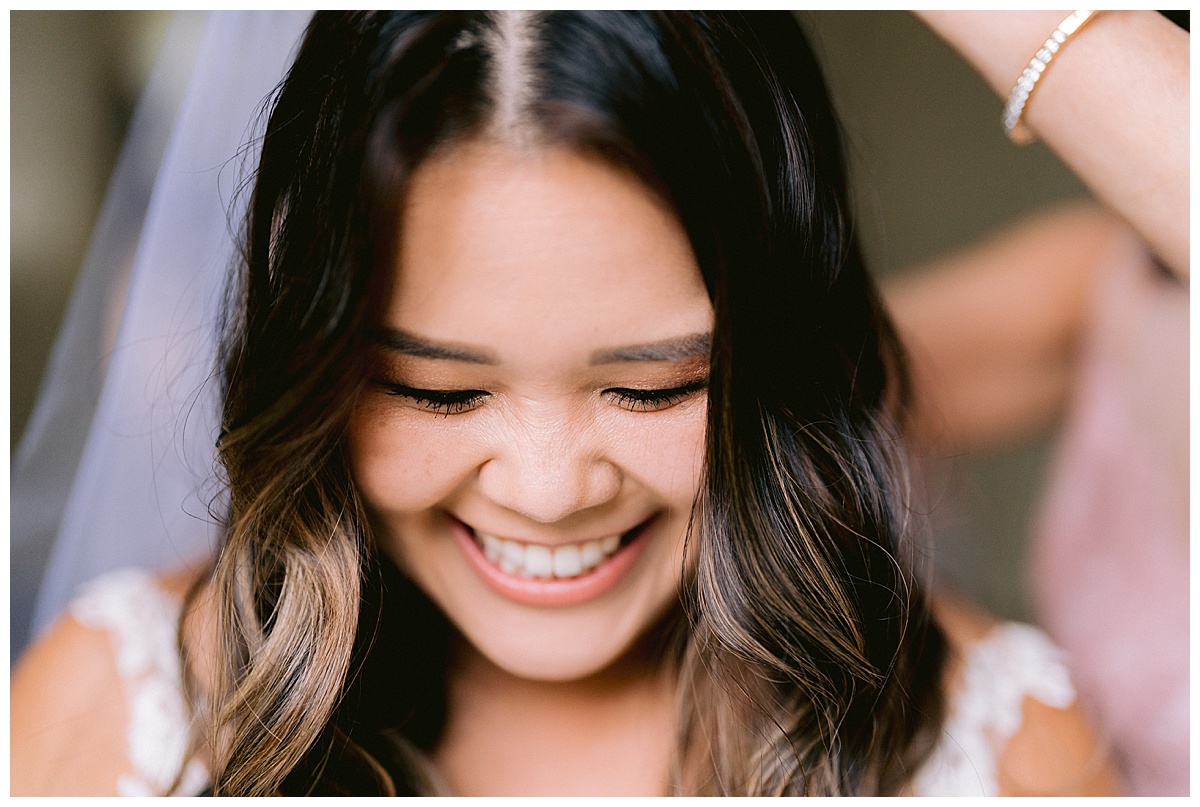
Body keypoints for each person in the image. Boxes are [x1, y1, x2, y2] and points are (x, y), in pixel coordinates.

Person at [14, 9, 1179, 796]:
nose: (551, 485)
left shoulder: (997, 745)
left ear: (778, 360)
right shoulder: (117, 710)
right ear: (313, 367)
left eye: (651, 386)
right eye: (438, 389)